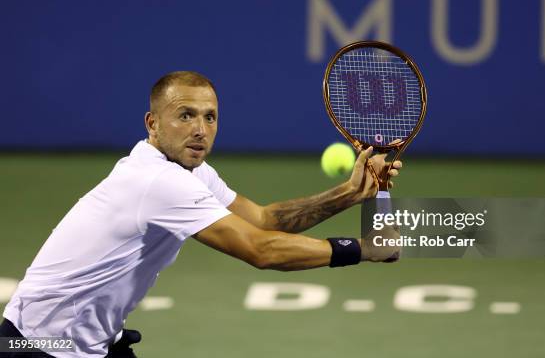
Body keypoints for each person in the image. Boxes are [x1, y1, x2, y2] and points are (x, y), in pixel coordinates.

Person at [0, 71, 403, 357]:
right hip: (38, 345)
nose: (200, 129)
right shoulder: (158, 181)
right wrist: (363, 249)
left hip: (86, 341)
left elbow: (263, 221)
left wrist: (350, 193)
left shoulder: (191, 172)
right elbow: (260, 250)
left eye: (209, 117)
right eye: (185, 115)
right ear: (152, 124)